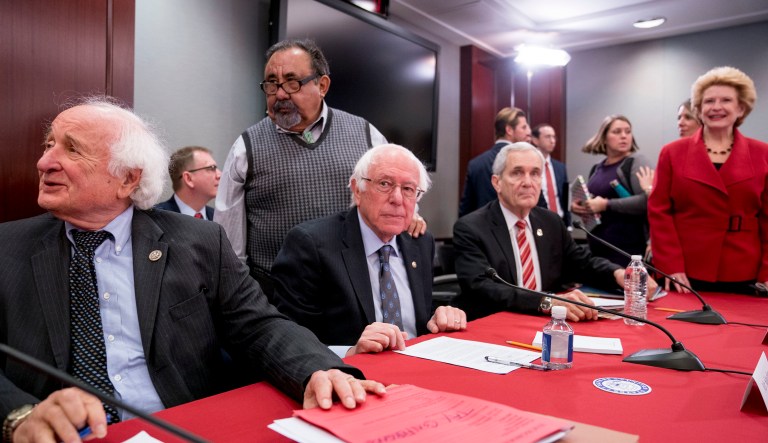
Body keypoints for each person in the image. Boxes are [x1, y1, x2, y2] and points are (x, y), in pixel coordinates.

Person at [0, 98, 385, 443]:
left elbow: (259, 326)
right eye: (50, 144)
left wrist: (316, 369)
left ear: (128, 178)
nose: (44, 161)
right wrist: (18, 415)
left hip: (180, 425)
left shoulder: (199, 242)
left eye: (73, 149)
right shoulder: (7, 248)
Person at [214, 38, 425, 294]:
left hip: (355, 290)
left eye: (293, 82)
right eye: (272, 83)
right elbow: (229, 246)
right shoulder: (245, 147)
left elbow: (396, 188)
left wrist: (410, 216)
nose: (280, 93)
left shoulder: (366, 135)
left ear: (322, 85)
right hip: (278, 297)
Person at [270, 144, 467, 357]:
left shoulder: (420, 242)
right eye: (384, 184)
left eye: (408, 189)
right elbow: (288, 339)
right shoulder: (311, 244)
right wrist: (351, 351)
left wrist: (439, 317)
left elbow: (417, 318)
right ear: (357, 189)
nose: (397, 199)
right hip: (347, 378)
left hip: (415, 371)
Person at [453, 143, 640, 322]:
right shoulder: (471, 228)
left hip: (547, 324)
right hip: (496, 324)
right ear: (497, 182)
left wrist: (617, 273)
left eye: (535, 174)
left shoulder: (550, 222)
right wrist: (546, 301)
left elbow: (582, 263)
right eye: (517, 173)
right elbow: (482, 288)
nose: (528, 182)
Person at [649, 66, 768, 294]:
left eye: (726, 100)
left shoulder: (763, 154)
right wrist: (670, 265)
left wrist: (767, 272)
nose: (716, 107)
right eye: (708, 101)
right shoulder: (672, 152)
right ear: (699, 108)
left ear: (741, 108)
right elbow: (659, 212)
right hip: (685, 273)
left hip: (745, 271)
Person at [571, 115, 652, 267]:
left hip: (627, 250)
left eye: (628, 132)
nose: (624, 136)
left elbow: (648, 202)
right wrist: (581, 207)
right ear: (604, 137)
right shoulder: (597, 168)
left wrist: (606, 204)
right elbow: (593, 202)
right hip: (598, 248)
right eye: (617, 132)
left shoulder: (635, 162)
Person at [458, 107, 531, 217]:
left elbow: (466, 211)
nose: (529, 132)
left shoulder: (476, 164)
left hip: (480, 230)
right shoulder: (527, 162)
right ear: (509, 130)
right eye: (524, 127)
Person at [155, 146, 219, 220]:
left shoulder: (218, 218)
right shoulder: (157, 218)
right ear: (188, 178)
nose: (220, 175)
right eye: (212, 168)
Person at [531, 123, 570, 225]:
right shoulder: (529, 166)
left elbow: (565, 198)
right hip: (539, 221)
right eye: (548, 137)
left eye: (554, 137)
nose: (552, 141)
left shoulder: (560, 167)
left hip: (561, 221)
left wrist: (568, 224)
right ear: (535, 140)